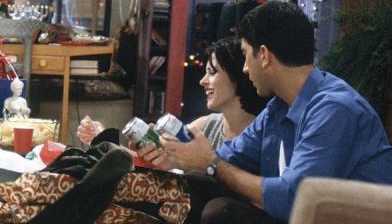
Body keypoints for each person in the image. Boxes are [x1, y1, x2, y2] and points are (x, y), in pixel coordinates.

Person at [161, 1, 392, 224]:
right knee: (196, 190)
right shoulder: (278, 108)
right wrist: (177, 156)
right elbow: (228, 158)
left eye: (246, 56)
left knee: (222, 215)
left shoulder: (334, 109)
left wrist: (210, 164)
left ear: (265, 55)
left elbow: (293, 199)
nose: (245, 68)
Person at [77, 36, 265, 159]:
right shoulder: (206, 126)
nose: (202, 81)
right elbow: (157, 157)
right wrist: (101, 138)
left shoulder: (262, 134)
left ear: (238, 76)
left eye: (212, 72)